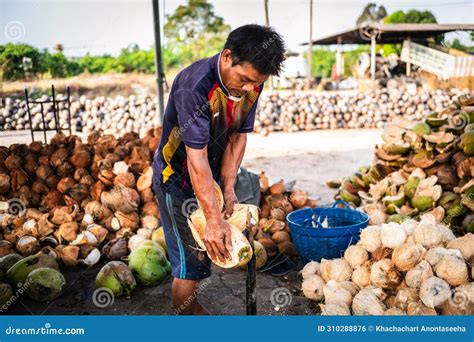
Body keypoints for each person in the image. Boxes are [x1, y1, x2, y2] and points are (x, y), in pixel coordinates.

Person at [152, 24, 286, 315]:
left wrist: (227, 189)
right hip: (176, 178)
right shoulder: (194, 86)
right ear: (227, 57)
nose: (250, 88)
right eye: (245, 79)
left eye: (257, 83)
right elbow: (195, 159)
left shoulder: (252, 80)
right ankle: (187, 315)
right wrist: (213, 219)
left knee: (207, 252)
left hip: (210, 172)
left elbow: (238, 135)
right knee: (190, 263)